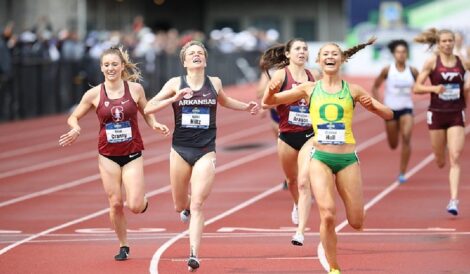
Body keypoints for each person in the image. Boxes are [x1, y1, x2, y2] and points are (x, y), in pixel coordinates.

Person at [263, 37, 393, 274]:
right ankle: (334, 267)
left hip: (347, 160)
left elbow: (388, 114)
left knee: (356, 221)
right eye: (326, 54)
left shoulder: (353, 90)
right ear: (319, 60)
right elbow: (268, 102)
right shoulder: (308, 88)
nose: (331, 57)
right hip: (320, 157)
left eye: (335, 54)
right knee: (328, 214)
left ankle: (350, 224)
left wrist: (373, 106)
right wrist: (271, 90)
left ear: (342, 60)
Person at [144, 40, 259, 272]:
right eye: (191, 53)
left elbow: (224, 100)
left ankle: (194, 254)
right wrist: (173, 99)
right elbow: (148, 108)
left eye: (200, 53)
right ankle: (184, 210)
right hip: (180, 150)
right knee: (180, 204)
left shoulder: (214, 82)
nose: (196, 55)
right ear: (185, 62)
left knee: (197, 203)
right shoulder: (175, 83)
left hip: (206, 150)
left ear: (205, 60)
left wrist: (246, 107)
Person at [59, 46, 169, 260]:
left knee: (135, 206)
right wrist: (75, 128)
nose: (110, 68)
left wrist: (155, 124)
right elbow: (73, 117)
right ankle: (123, 245)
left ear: (122, 67)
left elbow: (147, 112)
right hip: (107, 155)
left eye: (114, 64)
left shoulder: (135, 90)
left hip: (132, 153)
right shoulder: (93, 94)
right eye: (106, 65)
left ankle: (142, 201)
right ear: (101, 68)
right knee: (115, 203)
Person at [259, 39, 320, 245]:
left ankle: (300, 232)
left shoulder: (313, 76)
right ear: (288, 54)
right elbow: (266, 103)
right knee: (292, 181)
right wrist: (275, 91)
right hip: (286, 135)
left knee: (304, 182)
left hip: (308, 135)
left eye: (305, 48)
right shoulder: (281, 75)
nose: (302, 52)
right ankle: (296, 204)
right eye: (297, 49)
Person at [413, 28, 468, 216]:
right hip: (436, 114)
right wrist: (435, 88)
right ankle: (440, 155)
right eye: (443, 41)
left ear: (454, 42)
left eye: (450, 41)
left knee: (455, 156)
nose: (447, 44)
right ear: (438, 43)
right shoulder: (432, 62)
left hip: (456, 114)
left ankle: (453, 200)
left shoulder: (462, 62)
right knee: (440, 159)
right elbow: (417, 87)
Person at [371, 39, 419, 183]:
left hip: (407, 108)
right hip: (390, 111)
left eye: (404, 52)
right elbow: (375, 87)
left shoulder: (413, 71)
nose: (401, 55)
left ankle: (402, 173)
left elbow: (421, 86)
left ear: (407, 54)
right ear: (393, 54)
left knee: (406, 137)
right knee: (393, 144)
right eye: (398, 52)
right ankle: (395, 135)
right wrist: (378, 106)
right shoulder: (387, 70)